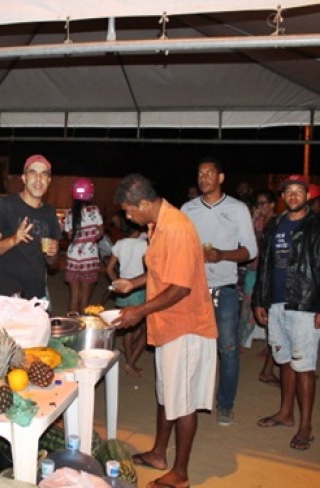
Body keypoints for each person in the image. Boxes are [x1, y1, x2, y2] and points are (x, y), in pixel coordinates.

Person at [111, 173, 217, 488]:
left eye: (129, 211)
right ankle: (159, 452)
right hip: (168, 327)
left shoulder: (178, 228)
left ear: (144, 203)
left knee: (182, 401)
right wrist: (133, 283)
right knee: (166, 394)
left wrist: (138, 312)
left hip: (186, 327)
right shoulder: (157, 224)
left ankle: (180, 473)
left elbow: (180, 288)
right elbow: (161, 272)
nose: (127, 217)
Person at [181, 157, 257, 426]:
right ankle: (189, 400)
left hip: (224, 289)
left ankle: (225, 404)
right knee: (192, 348)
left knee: (227, 349)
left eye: (210, 173)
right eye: (200, 173)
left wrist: (221, 254)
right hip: (192, 289)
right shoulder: (188, 209)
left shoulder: (237, 209)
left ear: (221, 178)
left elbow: (251, 250)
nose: (204, 178)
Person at [253, 175, 320, 451]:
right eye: (288, 191)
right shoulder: (275, 224)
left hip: (305, 304)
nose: (293, 196)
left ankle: (305, 426)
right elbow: (264, 265)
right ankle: (285, 413)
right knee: (284, 361)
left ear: (308, 196)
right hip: (277, 304)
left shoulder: (316, 226)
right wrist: (259, 299)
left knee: (304, 366)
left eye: (298, 191)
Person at [0, 154, 61, 303]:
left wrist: (53, 253)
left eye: (43, 174)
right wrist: (13, 240)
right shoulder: (5, 205)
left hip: (37, 297)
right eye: (33, 173)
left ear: (49, 181)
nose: (38, 179)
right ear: (24, 178)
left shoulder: (50, 213)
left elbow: (53, 264)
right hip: (7, 299)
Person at [238, 190, 278, 386]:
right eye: (259, 203)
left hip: (270, 272)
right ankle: (241, 340)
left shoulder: (278, 223)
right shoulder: (257, 223)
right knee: (248, 306)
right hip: (255, 270)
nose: (261, 207)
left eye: (264, 203)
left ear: (272, 204)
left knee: (272, 311)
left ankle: (270, 347)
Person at [106, 217, 148, 378]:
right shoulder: (144, 245)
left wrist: (116, 282)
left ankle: (130, 363)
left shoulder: (119, 244)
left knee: (128, 328)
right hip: (138, 288)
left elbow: (109, 269)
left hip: (124, 288)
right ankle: (130, 363)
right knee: (145, 330)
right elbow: (148, 270)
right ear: (137, 231)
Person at [63, 177, 104, 313]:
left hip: (73, 258)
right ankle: (83, 330)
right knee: (85, 298)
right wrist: (91, 237)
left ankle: (72, 328)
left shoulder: (69, 214)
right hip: (89, 258)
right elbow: (101, 232)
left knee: (73, 296)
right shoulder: (94, 210)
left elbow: (69, 236)